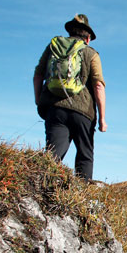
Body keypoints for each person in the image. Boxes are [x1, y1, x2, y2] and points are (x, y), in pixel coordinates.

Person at [33, 14, 107, 180]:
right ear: (88, 38)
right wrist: (102, 119)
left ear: (70, 32)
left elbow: (38, 75)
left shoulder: (53, 48)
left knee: (53, 155)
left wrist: (39, 100)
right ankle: (83, 196)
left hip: (55, 108)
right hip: (83, 112)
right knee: (84, 155)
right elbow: (98, 85)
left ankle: (44, 191)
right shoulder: (91, 53)